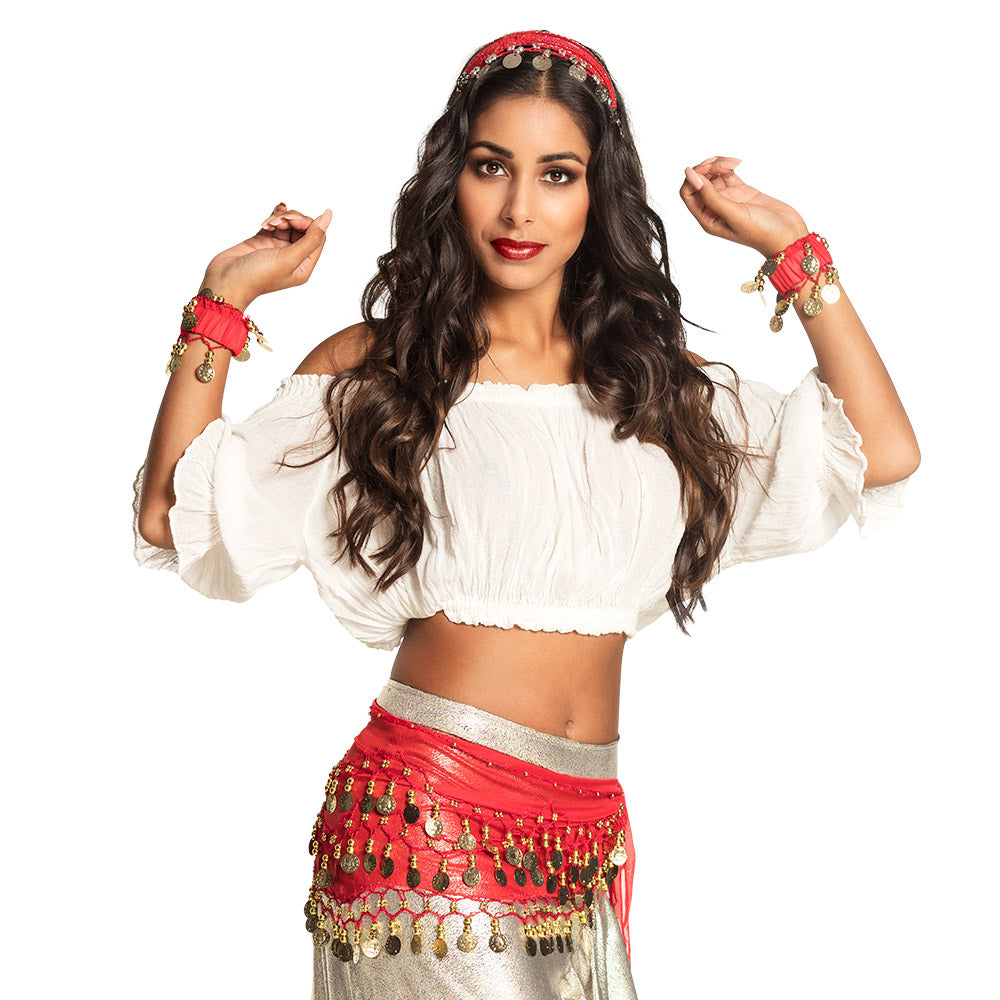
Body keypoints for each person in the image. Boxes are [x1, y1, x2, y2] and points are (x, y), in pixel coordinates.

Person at [132, 28, 920, 1000]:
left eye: (556, 174)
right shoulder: (381, 368)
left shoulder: (649, 384)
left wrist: (791, 249)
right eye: (490, 166)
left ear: (597, 195)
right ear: (450, 180)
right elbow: (173, 512)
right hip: (426, 832)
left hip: (584, 837)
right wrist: (222, 303)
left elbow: (881, 450)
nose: (518, 208)